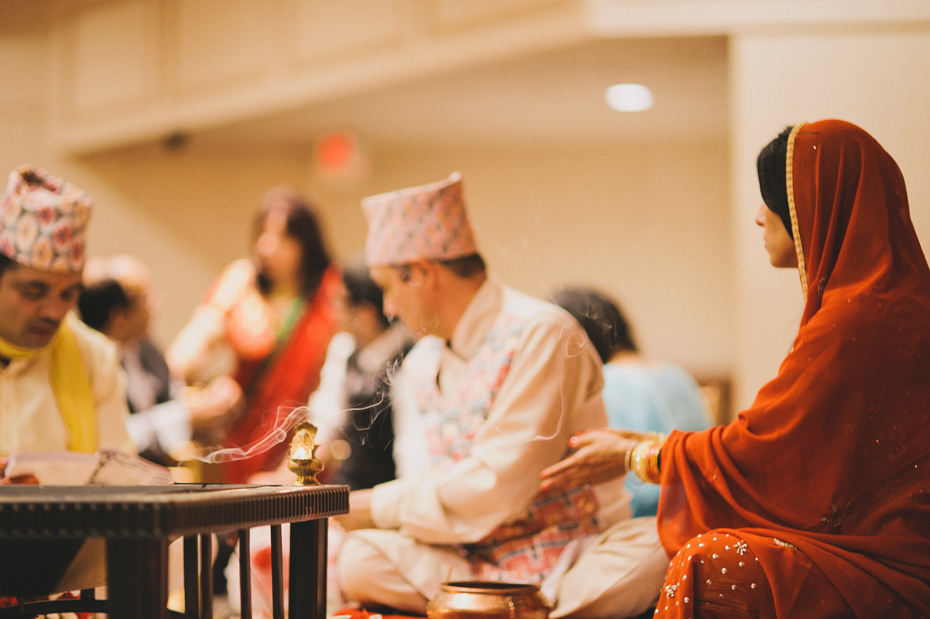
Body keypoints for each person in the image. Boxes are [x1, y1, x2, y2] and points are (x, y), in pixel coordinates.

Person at [541, 120, 930, 617]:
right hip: (878, 542)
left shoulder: (859, 319)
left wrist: (638, 456)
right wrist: (647, 450)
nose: (758, 217)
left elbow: (769, 453)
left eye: (772, 198)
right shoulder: (880, 307)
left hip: (890, 557)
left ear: (811, 208)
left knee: (709, 563)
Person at [335, 173, 669, 618]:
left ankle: (494, 611)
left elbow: (500, 486)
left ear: (421, 273)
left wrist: (373, 506)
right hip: (467, 564)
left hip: (574, 558)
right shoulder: (420, 363)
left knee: (657, 547)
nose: (389, 308)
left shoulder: (543, 332)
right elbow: (420, 482)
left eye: (388, 289)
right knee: (359, 560)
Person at [166, 186, 339, 483]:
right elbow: (184, 357)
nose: (267, 247)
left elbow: (334, 394)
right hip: (242, 441)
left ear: (307, 243)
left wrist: (292, 470)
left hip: (308, 442)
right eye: (263, 233)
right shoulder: (241, 283)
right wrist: (201, 395)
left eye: (284, 237)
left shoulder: (331, 293)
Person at [0, 164, 133, 461]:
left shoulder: (94, 359)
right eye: (33, 292)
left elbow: (120, 482)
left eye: (68, 294)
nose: (54, 311)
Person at [551, 288, 711, 517]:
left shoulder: (606, 384)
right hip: (701, 509)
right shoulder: (676, 374)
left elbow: (624, 486)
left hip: (650, 519)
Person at [79, 255, 242, 465]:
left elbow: (171, 393)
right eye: (145, 298)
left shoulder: (145, 348)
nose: (155, 304)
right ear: (119, 318)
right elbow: (114, 438)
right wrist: (186, 418)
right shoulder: (89, 362)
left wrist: (206, 401)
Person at [309, 257, 415, 490]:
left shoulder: (410, 362)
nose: (333, 312)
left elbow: (412, 457)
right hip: (348, 489)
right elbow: (327, 415)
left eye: (339, 303)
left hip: (387, 498)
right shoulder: (344, 347)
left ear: (365, 314)